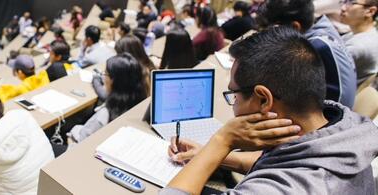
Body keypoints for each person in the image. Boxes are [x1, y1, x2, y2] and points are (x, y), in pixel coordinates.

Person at [161, 26, 378, 195]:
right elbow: (285, 159)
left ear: (264, 99)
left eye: (234, 95)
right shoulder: (341, 128)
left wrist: (222, 140)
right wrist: (208, 154)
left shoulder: (283, 189)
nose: (233, 104)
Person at [257, 0, 357, 108]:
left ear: (295, 27)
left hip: (332, 117)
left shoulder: (312, 48)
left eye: (273, 30)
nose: (270, 35)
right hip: (337, 109)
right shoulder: (324, 27)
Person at [69, 53, 148, 142]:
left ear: (113, 80)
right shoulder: (141, 104)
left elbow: (81, 141)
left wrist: (72, 132)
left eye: (105, 73)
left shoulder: (104, 116)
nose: (103, 77)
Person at [92, 35, 154, 101]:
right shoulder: (148, 65)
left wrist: (95, 80)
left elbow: (107, 96)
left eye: (118, 53)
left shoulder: (135, 74)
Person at [340, 0, 378, 85]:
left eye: (351, 3)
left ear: (370, 11)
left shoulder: (359, 45)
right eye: (344, 1)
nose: (343, 8)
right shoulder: (365, 34)